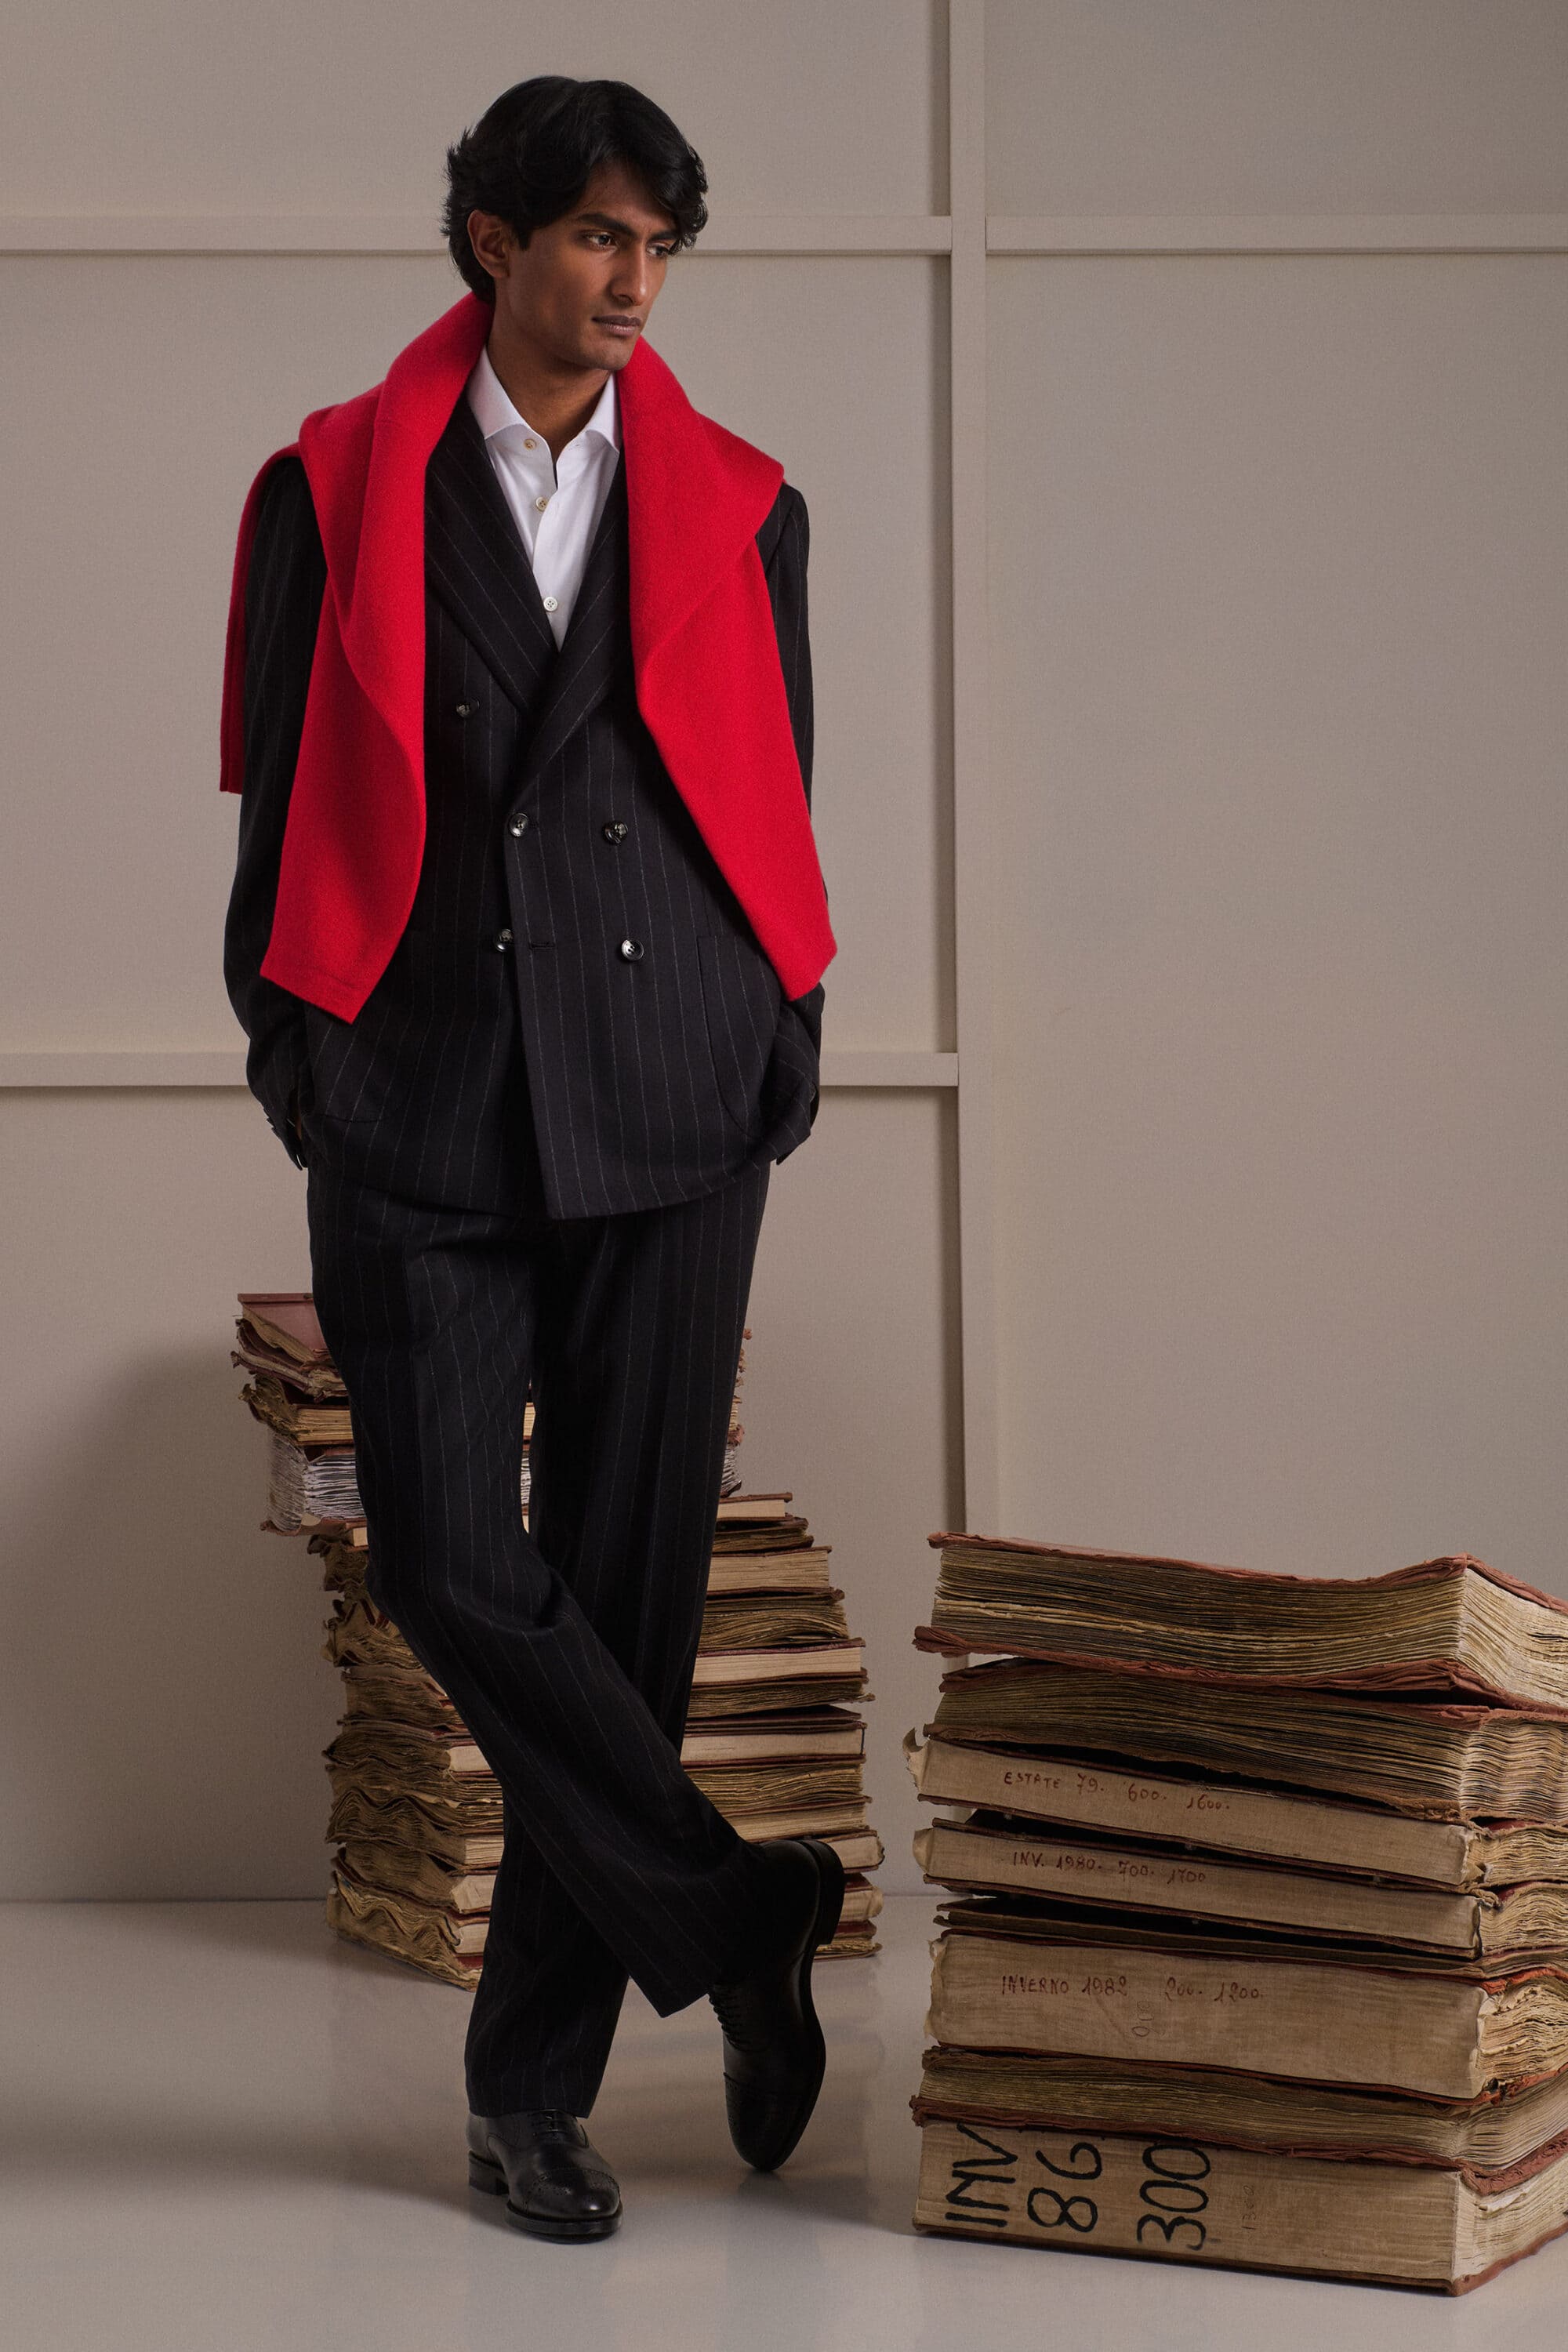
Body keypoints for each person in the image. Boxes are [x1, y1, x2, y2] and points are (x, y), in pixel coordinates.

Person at [222, 74, 840, 2244]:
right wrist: (290, 1044)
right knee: (446, 1561)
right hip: (418, 1087)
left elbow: (775, 795)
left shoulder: (745, 506)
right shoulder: (335, 486)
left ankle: (530, 2096)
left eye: (660, 243)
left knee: (629, 1588)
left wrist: (789, 1032)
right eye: (597, 235)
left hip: (678, 1092)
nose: (637, 279)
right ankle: (739, 1916)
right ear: (491, 240)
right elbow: (280, 780)